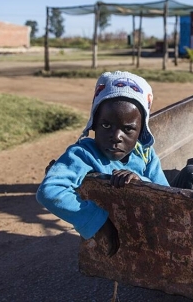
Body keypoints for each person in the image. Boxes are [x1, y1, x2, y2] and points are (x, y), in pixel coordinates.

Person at [37, 71, 169, 256]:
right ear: (94, 124)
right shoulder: (83, 154)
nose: (116, 137)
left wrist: (141, 181)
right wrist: (97, 221)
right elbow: (49, 190)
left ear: (140, 133)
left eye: (128, 129)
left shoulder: (145, 154)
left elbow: (166, 194)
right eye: (106, 126)